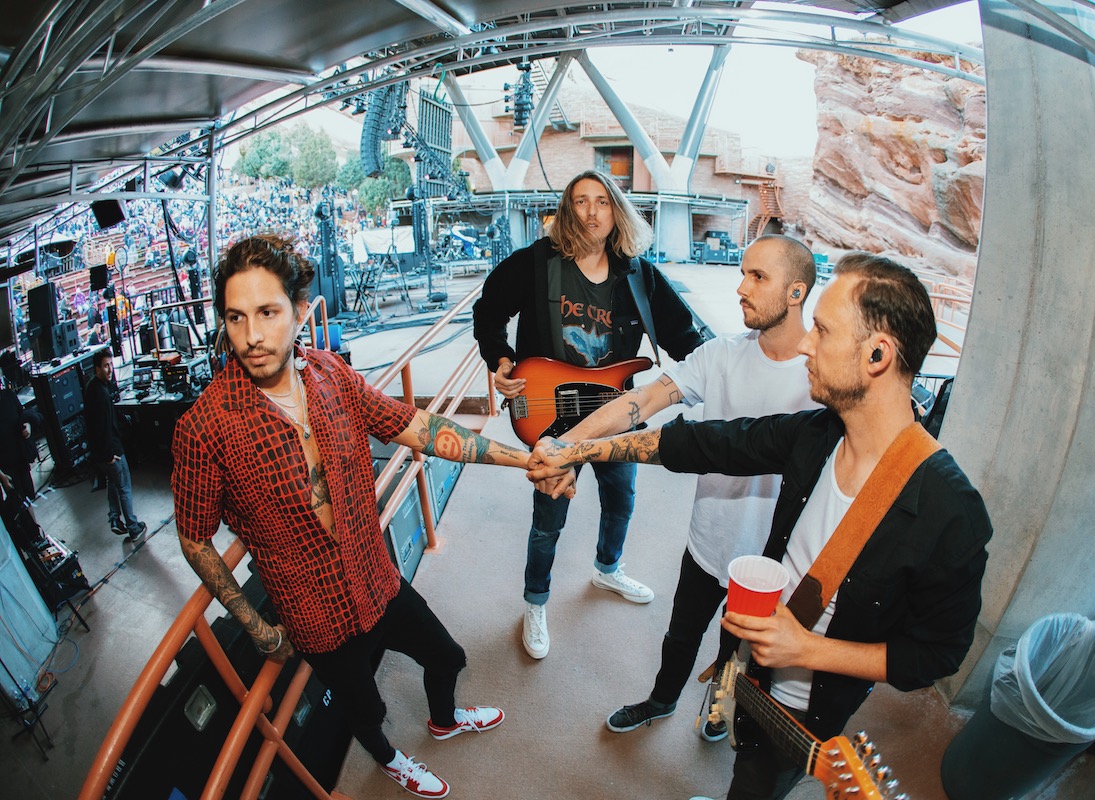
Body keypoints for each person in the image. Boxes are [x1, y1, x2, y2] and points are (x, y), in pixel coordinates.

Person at [529, 253, 992, 800]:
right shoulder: (818, 436)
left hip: (806, 710)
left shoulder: (951, 511)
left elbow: (937, 654)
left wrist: (808, 650)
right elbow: (700, 442)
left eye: (822, 330)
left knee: (757, 783)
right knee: (733, 731)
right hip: (755, 669)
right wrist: (577, 449)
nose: (805, 346)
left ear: (877, 354)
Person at [172, 234, 532, 799]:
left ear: (301, 310)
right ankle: (389, 759)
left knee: (448, 656)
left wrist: (521, 458)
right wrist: (256, 625)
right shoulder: (204, 428)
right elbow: (193, 539)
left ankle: (443, 718)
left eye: (267, 313)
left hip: (378, 580)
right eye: (236, 318)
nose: (252, 336)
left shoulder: (329, 375)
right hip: (316, 616)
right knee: (365, 710)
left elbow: (413, 425)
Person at [537, 235, 821, 739]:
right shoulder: (721, 357)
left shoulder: (820, 380)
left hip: (772, 560)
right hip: (708, 538)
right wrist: (567, 445)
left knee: (738, 649)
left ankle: (718, 703)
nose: (741, 288)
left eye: (758, 277)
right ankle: (662, 699)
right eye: (742, 273)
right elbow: (642, 402)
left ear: (796, 292)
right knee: (680, 634)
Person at [472, 169, 705, 660]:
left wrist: (727, 362)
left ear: (616, 209)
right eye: (580, 201)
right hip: (551, 413)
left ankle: (607, 567)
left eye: (602, 201)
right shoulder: (537, 263)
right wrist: (500, 360)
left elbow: (684, 335)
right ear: (566, 210)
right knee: (549, 515)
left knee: (621, 499)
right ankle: (535, 602)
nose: (592, 212)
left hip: (617, 411)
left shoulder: (638, 274)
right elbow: (488, 310)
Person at [84, 348, 146, 540]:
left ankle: (114, 519)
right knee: (124, 486)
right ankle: (133, 527)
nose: (110, 369)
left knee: (114, 481)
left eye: (111, 365)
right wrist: (109, 454)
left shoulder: (92, 387)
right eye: (105, 366)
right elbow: (103, 427)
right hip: (110, 451)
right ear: (97, 369)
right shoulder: (101, 394)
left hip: (100, 453)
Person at [0, 374, 42, 504]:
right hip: (6, 466)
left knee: (28, 499)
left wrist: (27, 425)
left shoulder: (8, 396)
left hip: (20, 458)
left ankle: (34, 524)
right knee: (18, 503)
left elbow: (24, 415)